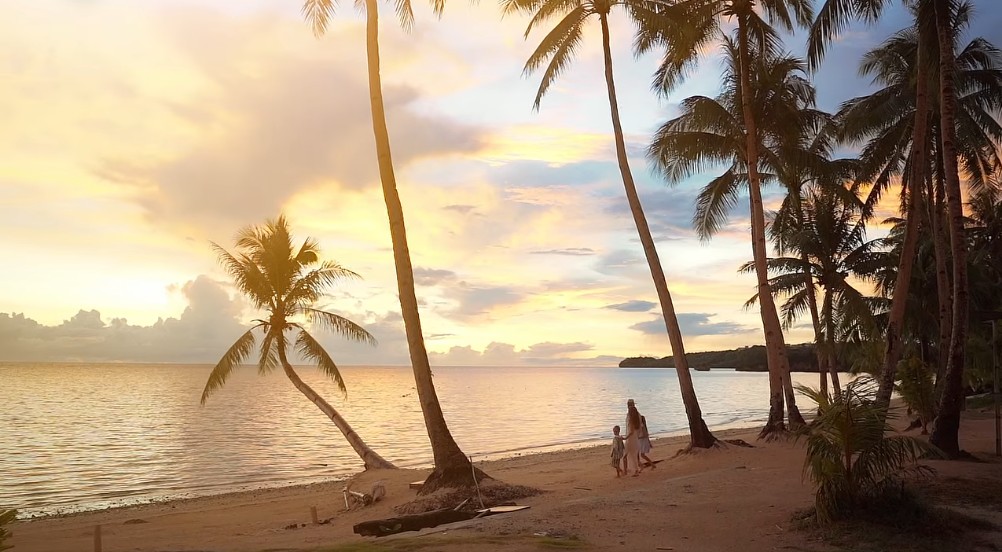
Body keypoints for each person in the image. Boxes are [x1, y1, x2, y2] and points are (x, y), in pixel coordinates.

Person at [624, 399, 642, 477]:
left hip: (631, 437)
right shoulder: (638, 415)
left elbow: (630, 430)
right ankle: (635, 468)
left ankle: (632, 470)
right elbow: (639, 427)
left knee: (626, 454)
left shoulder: (630, 416)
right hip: (635, 437)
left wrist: (625, 438)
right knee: (634, 454)